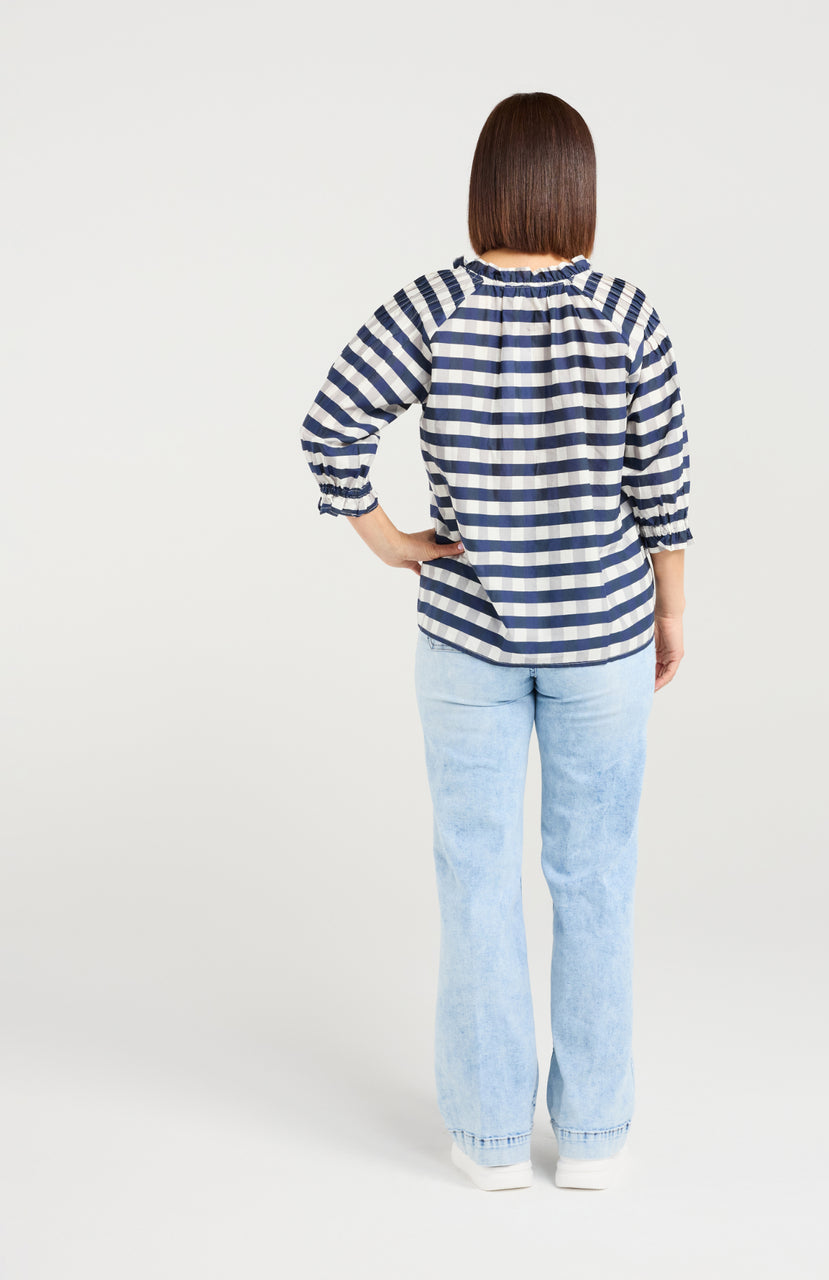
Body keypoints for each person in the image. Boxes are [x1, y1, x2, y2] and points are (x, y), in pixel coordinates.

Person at [299, 92, 692, 1191]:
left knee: (475, 877)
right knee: (596, 877)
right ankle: (597, 1137)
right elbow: (662, 487)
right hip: (601, 635)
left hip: (467, 636)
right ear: (580, 190)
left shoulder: (432, 306)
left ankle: (486, 1143)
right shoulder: (625, 312)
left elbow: (331, 419)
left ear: (485, 187)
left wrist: (388, 543)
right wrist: (668, 610)